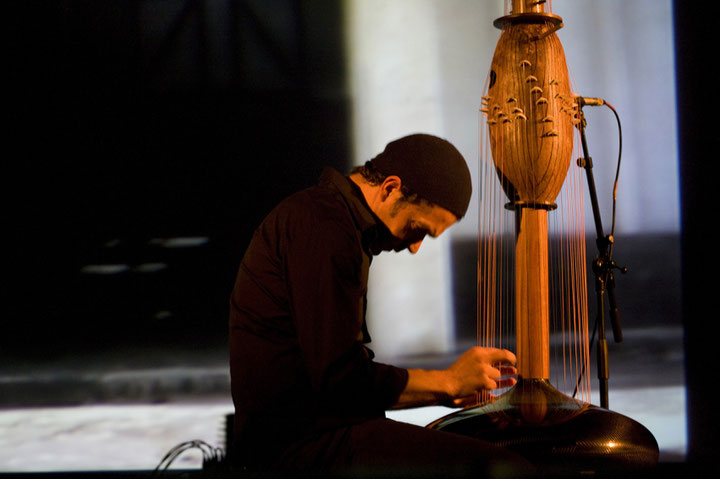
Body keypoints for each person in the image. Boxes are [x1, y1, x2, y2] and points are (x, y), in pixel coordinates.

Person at [228, 133, 533, 477]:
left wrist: (444, 391)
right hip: (296, 448)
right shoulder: (323, 226)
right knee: (503, 469)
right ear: (390, 188)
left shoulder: (330, 221)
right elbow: (340, 382)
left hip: (314, 435)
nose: (415, 248)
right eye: (418, 229)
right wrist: (447, 381)